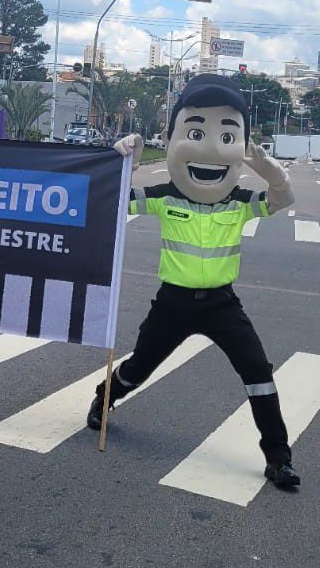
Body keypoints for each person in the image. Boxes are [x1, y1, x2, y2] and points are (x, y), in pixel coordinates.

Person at [87, 74, 301, 489]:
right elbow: (115, 203)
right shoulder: (167, 196)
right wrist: (122, 163)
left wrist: (277, 177)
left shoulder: (240, 203)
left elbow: (282, 201)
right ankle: (105, 397)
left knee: (258, 372)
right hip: (173, 304)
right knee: (138, 368)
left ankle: (278, 459)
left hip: (223, 305)